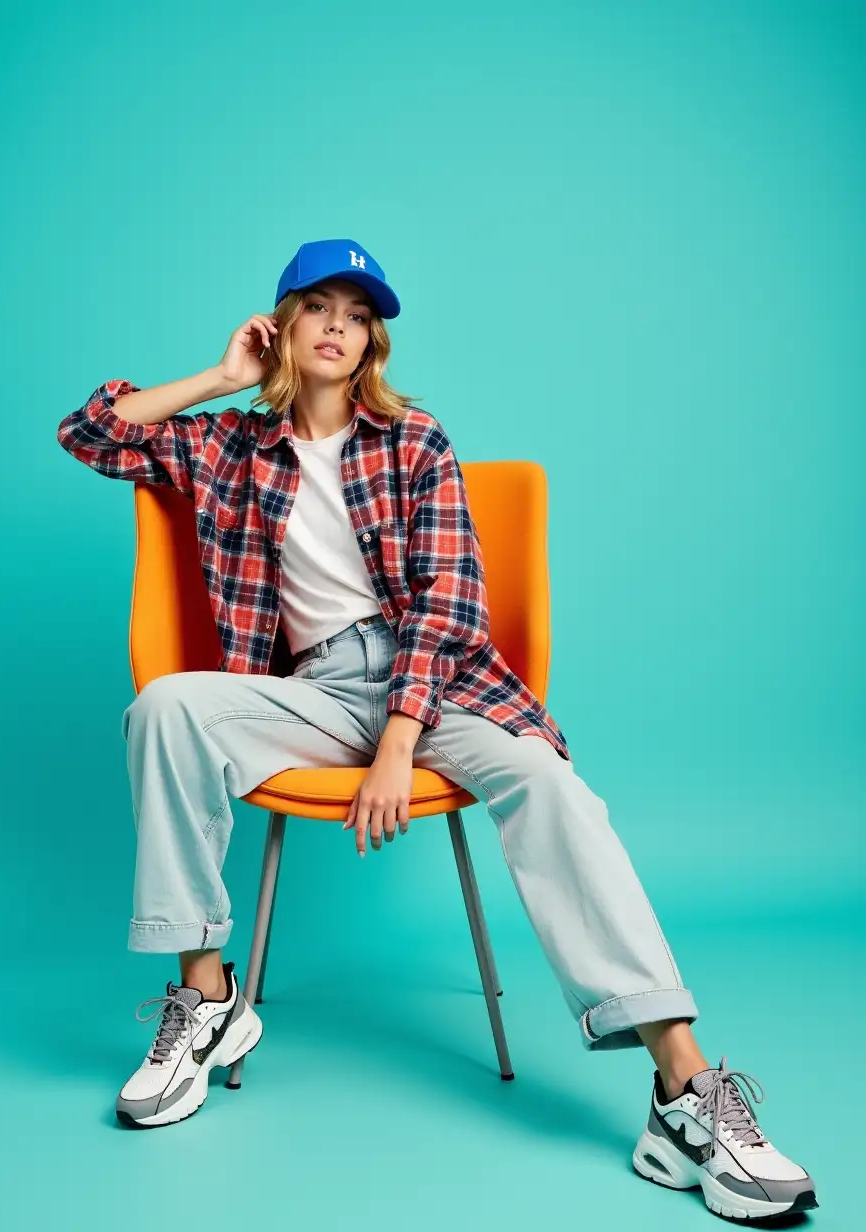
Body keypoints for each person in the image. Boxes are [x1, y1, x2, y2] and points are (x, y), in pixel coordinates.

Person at [56, 238, 816, 1220]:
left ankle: (681, 1089)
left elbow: (451, 600)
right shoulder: (228, 445)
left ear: (371, 339)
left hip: (442, 686)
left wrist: (399, 741)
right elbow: (90, 432)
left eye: (356, 312)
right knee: (163, 705)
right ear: (280, 323)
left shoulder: (415, 440)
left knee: (548, 784)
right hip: (314, 692)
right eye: (316, 306)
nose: (337, 324)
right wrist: (218, 376)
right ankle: (205, 1002)